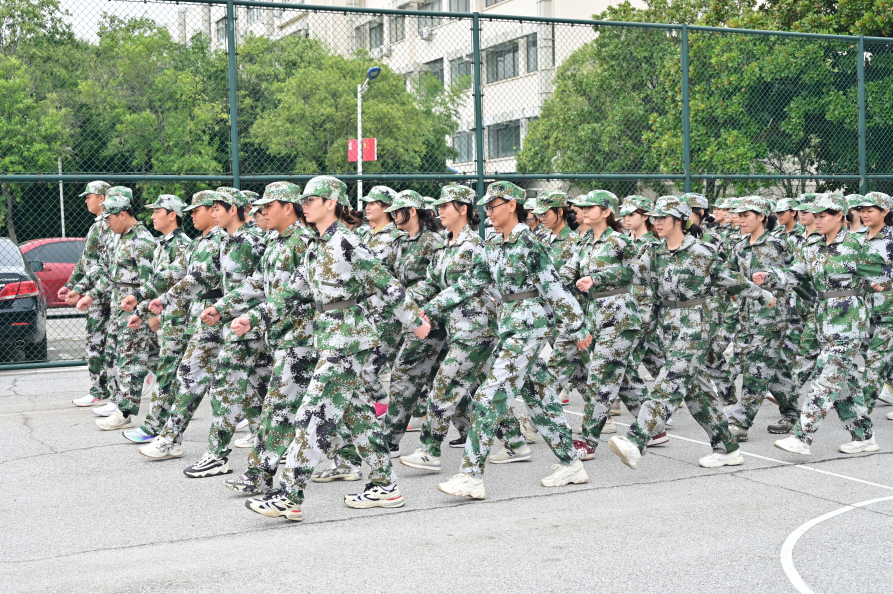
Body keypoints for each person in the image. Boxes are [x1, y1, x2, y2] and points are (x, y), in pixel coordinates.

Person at [234, 175, 431, 521]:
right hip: (330, 335)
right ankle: (385, 485)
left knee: (312, 413)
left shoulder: (346, 241)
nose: (304, 205)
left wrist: (416, 321)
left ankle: (289, 495)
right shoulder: (316, 244)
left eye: (311, 200)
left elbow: (384, 281)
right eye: (303, 200)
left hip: (347, 337)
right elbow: (292, 291)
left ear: (331, 203)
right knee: (358, 415)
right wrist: (253, 317)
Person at [428, 181, 592, 500]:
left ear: (512, 205)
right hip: (509, 326)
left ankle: (471, 475)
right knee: (541, 396)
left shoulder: (528, 244)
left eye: (494, 205)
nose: (489, 211)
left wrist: (577, 327)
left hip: (529, 326)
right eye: (486, 207)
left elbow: (553, 287)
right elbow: (469, 283)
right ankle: (572, 464)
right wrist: (430, 308)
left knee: (488, 396)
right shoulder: (493, 244)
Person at [609, 196, 776, 470]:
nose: (657, 222)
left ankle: (636, 441)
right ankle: (727, 449)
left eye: (663, 217)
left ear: (680, 220)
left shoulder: (701, 251)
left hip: (696, 323)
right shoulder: (656, 252)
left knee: (670, 380)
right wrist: (595, 278)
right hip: (669, 324)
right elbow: (629, 275)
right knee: (698, 393)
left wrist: (762, 294)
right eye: (655, 217)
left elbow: (730, 278)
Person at [755, 193, 891, 455]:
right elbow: (796, 274)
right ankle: (864, 437)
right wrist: (768, 277)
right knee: (844, 385)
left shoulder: (856, 245)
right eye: (815, 215)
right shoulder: (813, 245)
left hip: (848, 321)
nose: (817, 220)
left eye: (823, 215)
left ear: (839, 216)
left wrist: (880, 284)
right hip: (822, 320)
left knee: (824, 378)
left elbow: (886, 272)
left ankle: (802, 437)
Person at [218, 182, 321, 493]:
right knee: (323, 407)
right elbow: (256, 284)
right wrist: (222, 307)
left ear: (288, 208)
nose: (262, 211)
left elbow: (298, 293)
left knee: (277, 407)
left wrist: (255, 317)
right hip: (280, 335)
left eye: (268, 206)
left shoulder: (304, 243)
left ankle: (259, 474)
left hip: (301, 337)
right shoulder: (275, 242)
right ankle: (352, 461)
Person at [398, 184, 498, 471]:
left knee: (444, 386)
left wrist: (428, 309)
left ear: (463, 209)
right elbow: (431, 282)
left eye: (446, 206)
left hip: (476, 327)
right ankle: (515, 442)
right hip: (458, 328)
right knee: (485, 389)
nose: (439, 210)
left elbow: (466, 287)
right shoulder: (446, 244)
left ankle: (429, 450)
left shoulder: (475, 246)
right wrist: (402, 300)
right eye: (438, 206)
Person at [185, 187, 271, 478]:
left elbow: (259, 287)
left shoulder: (250, 242)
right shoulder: (227, 241)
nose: (212, 213)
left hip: (248, 328)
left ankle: (217, 455)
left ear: (233, 209)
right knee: (257, 390)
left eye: (217, 208)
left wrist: (228, 310)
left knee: (224, 388)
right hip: (234, 324)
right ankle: (271, 447)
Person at [138, 191, 226, 460]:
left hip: (219, 316)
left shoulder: (221, 241)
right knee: (200, 377)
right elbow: (175, 272)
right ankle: (171, 438)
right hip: (201, 316)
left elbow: (195, 279)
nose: (192, 216)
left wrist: (160, 300)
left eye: (197, 210)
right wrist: (143, 297)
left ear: (212, 210)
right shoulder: (199, 243)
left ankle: (171, 438)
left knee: (195, 376)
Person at [561, 190, 646, 459]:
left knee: (600, 376)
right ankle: (653, 428)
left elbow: (635, 271)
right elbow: (568, 270)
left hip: (619, 315)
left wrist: (598, 278)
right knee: (625, 377)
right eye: (582, 207)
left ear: (607, 212)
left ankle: (587, 442)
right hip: (595, 315)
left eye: (591, 207)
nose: (584, 211)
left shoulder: (619, 241)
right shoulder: (585, 240)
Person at [67, 187, 157, 431]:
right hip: (119, 309)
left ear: (123, 214)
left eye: (109, 219)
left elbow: (151, 284)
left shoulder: (142, 241)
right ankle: (125, 404)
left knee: (131, 363)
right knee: (119, 359)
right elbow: (111, 275)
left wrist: (145, 314)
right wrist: (89, 295)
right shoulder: (120, 238)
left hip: (134, 312)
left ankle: (125, 412)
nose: (106, 224)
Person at [722, 196, 797, 442]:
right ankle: (793, 412)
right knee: (774, 370)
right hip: (745, 317)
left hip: (771, 318)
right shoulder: (739, 247)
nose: (741, 220)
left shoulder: (777, 245)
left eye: (746, 215)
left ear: (762, 216)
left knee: (756, 368)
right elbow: (730, 277)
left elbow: (795, 275)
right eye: (739, 215)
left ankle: (740, 422)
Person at [381, 190, 449, 455]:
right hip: (407, 317)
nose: (393, 216)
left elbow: (438, 282)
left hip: (429, 319)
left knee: (404, 373)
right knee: (439, 378)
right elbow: (386, 275)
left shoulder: (433, 241)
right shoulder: (399, 242)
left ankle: (390, 440)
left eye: (397, 211)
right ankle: (473, 430)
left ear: (412, 211)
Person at [120, 194, 192, 443]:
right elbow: (158, 285)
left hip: (181, 318)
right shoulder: (164, 243)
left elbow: (170, 280)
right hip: (171, 315)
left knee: (168, 372)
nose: (152, 216)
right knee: (174, 372)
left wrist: (139, 301)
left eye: (157, 211)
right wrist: (143, 312)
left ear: (172, 215)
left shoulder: (181, 245)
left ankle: (154, 428)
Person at [65, 181, 117, 410]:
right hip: (95, 290)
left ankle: (100, 391)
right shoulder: (99, 224)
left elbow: (106, 265)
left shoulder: (108, 224)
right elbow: (86, 261)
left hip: (103, 292)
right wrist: (72, 285)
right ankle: (101, 389)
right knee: (100, 343)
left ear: (102, 198)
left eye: (89, 196)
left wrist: (87, 291)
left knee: (99, 343)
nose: (86, 200)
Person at [849, 192, 893, 415]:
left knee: (876, 362)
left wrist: (887, 283)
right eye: (862, 211)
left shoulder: (891, 238)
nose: (864, 214)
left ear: (885, 212)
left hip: (888, 311)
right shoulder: (856, 239)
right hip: (863, 309)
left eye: (870, 210)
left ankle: (861, 414)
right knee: (871, 355)